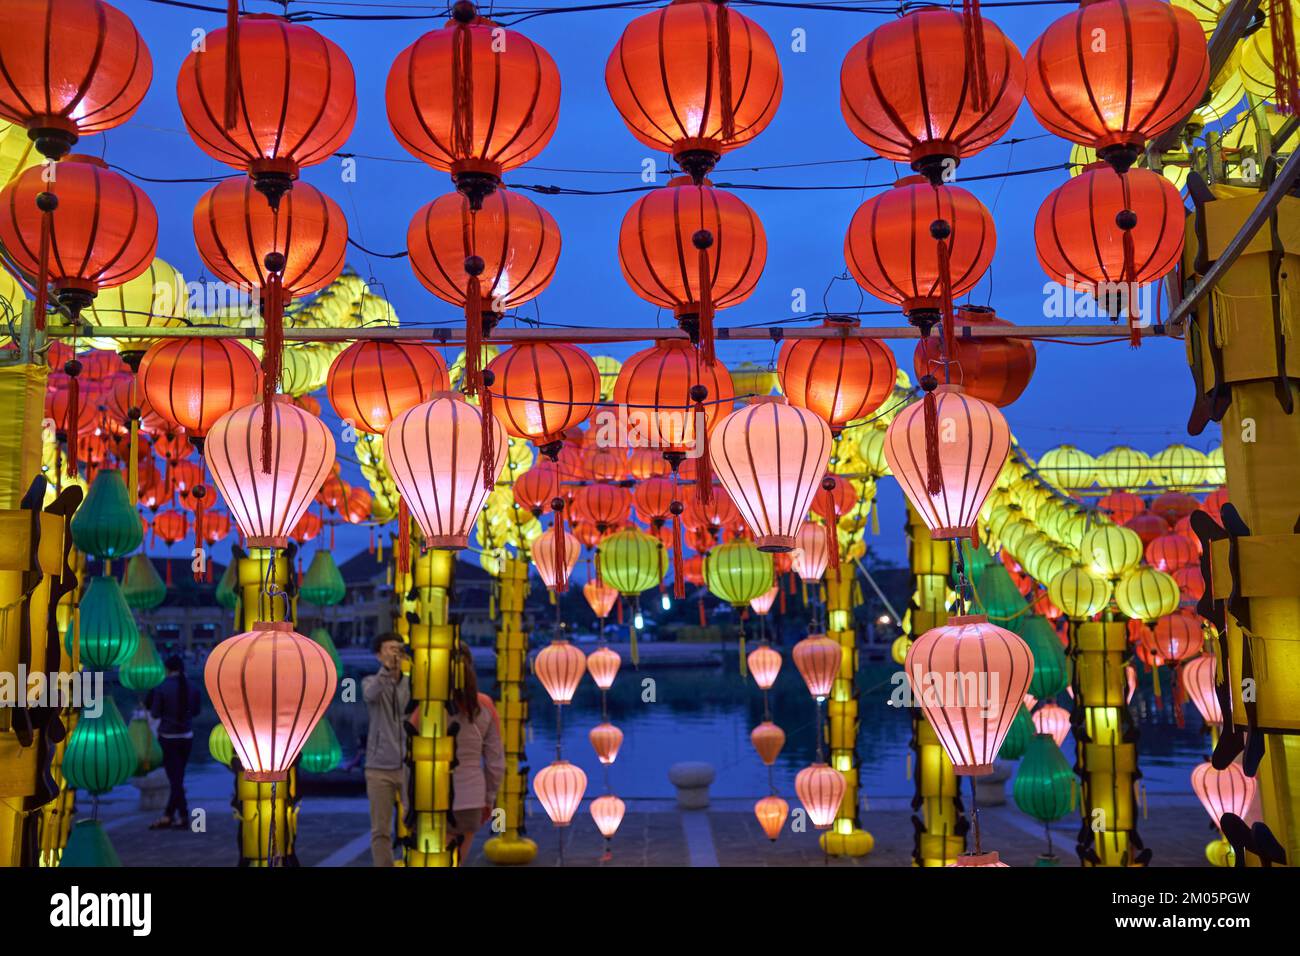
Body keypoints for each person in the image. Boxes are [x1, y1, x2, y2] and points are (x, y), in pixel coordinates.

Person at [445, 644, 505, 865]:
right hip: (470, 797)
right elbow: (495, 762)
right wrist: (489, 798)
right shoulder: (485, 705)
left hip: (430, 795)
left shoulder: (426, 705)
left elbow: (407, 752)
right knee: (456, 861)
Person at [362, 632, 410, 867]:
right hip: (378, 767)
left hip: (408, 765)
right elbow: (369, 696)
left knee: (415, 821)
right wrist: (387, 673)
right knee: (380, 829)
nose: (394, 654)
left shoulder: (412, 684)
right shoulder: (370, 681)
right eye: (389, 649)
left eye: (398, 650)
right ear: (378, 655)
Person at [147, 654, 201, 830]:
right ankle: (169, 816)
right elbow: (196, 711)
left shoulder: (161, 688)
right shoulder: (192, 687)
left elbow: (154, 714)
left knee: (175, 780)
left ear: (167, 669)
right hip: (187, 737)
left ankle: (182, 816)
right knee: (178, 778)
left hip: (168, 738)